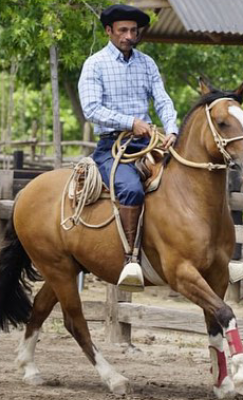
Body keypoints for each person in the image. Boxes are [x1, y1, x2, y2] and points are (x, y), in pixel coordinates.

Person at [78, 4, 178, 291]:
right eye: (122, 30)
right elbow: (91, 108)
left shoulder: (147, 63)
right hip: (113, 146)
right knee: (131, 189)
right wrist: (129, 121)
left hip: (148, 143)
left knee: (186, 179)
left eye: (133, 31)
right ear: (109, 31)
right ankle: (130, 260)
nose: (129, 36)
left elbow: (162, 99)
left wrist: (171, 127)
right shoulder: (95, 64)